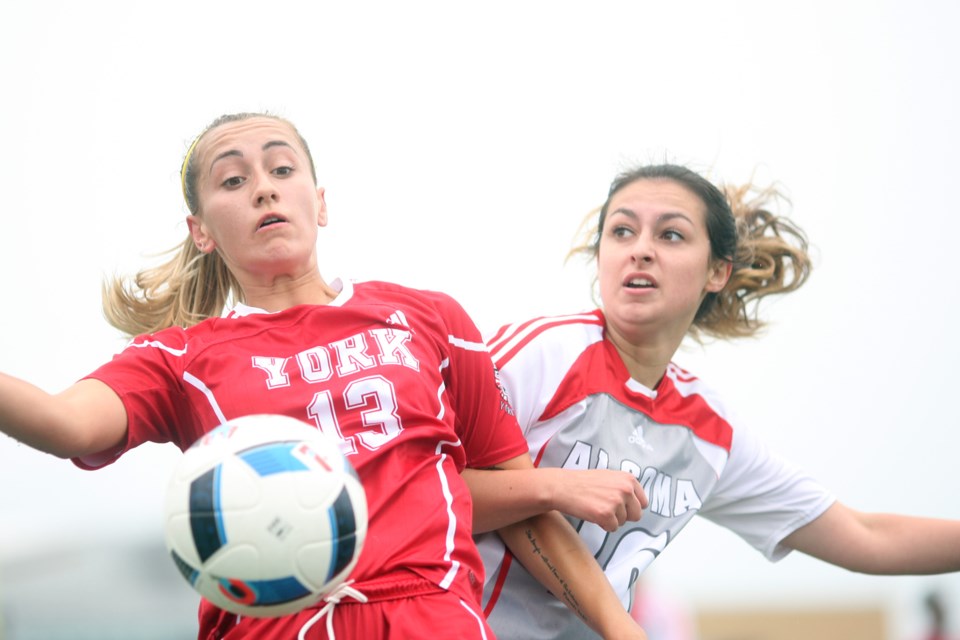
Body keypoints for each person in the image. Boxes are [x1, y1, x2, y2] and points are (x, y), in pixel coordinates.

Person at [0, 113, 649, 640]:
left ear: (321, 201)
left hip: (431, 619)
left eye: (283, 169)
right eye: (232, 180)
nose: (263, 187)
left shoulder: (429, 319)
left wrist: (621, 630)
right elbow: (66, 425)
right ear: (201, 232)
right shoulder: (180, 359)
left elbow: (523, 507)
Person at [468, 163, 960, 640]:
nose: (640, 250)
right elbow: (420, 491)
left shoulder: (709, 429)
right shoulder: (539, 354)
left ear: (718, 272)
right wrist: (553, 487)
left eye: (671, 235)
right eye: (621, 231)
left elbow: (866, 535)